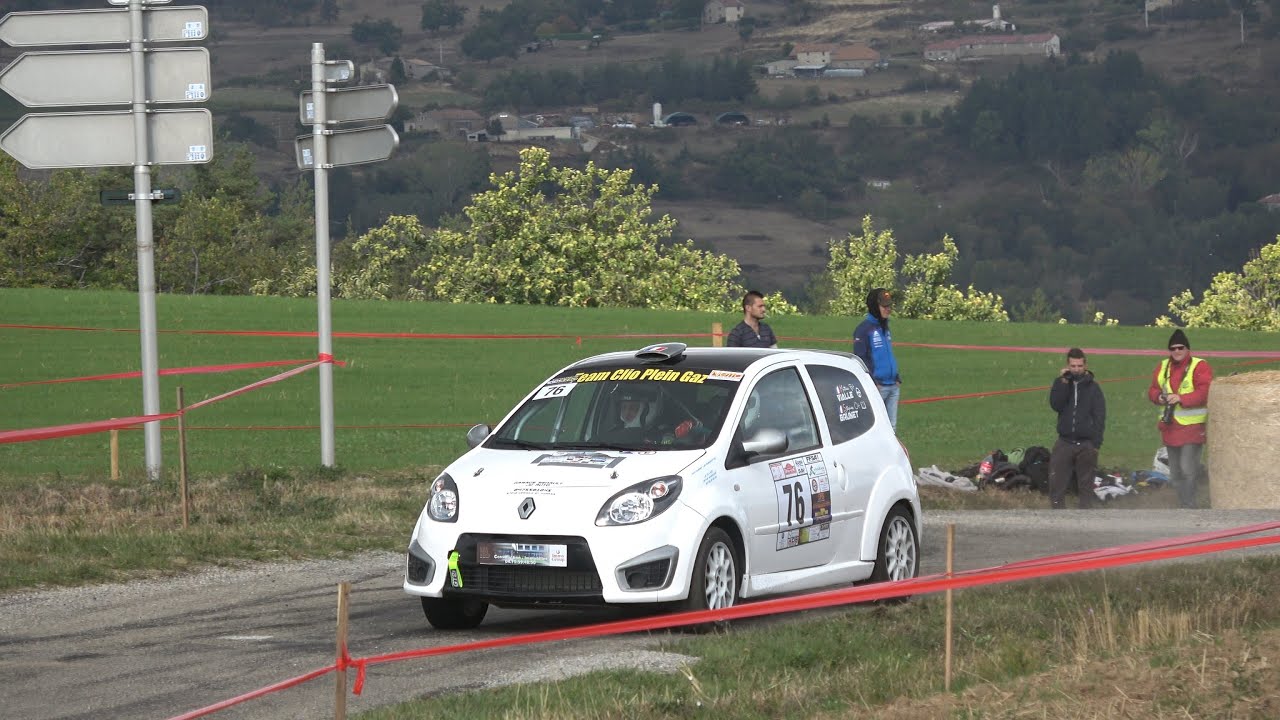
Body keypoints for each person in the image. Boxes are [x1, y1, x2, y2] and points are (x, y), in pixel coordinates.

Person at [1147, 329, 1212, 508]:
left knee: (1187, 468)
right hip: (1170, 428)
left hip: (1192, 428)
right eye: (1173, 348)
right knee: (1175, 473)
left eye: (1180, 347)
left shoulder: (1200, 366)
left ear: (1187, 348)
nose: (1176, 351)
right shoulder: (1163, 366)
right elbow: (1152, 390)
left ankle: (1190, 505)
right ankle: (1185, 504)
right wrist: (1159, 396)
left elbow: (1205, 392)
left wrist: (1181, 398)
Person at [1047, 347, 1106, 509]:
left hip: (1086, 442)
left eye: (1079, 366)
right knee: (1056, 483)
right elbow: (1056, 405)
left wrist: (1096, 444)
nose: (1076, 369)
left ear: (1085, 365)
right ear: (1068, 365)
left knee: (1086, 486)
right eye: (1073, 366)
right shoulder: (1061, 383)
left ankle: (1085, 519)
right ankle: (1058, 517)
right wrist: (1063, 383)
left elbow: (1100, 416)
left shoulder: (1093, 388)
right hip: (1065, 441)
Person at [853, 288, 902, 429]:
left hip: (893, 385)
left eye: (890, 306)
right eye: (884, 306)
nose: (888, 309)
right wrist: (873, 382)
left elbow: (887, 354)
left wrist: (897, 377)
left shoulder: (885, 327)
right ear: (875, 307)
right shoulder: (863, 330)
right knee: (877, 428)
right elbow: (860, 359)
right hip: (878, 387)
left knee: (892, 429)